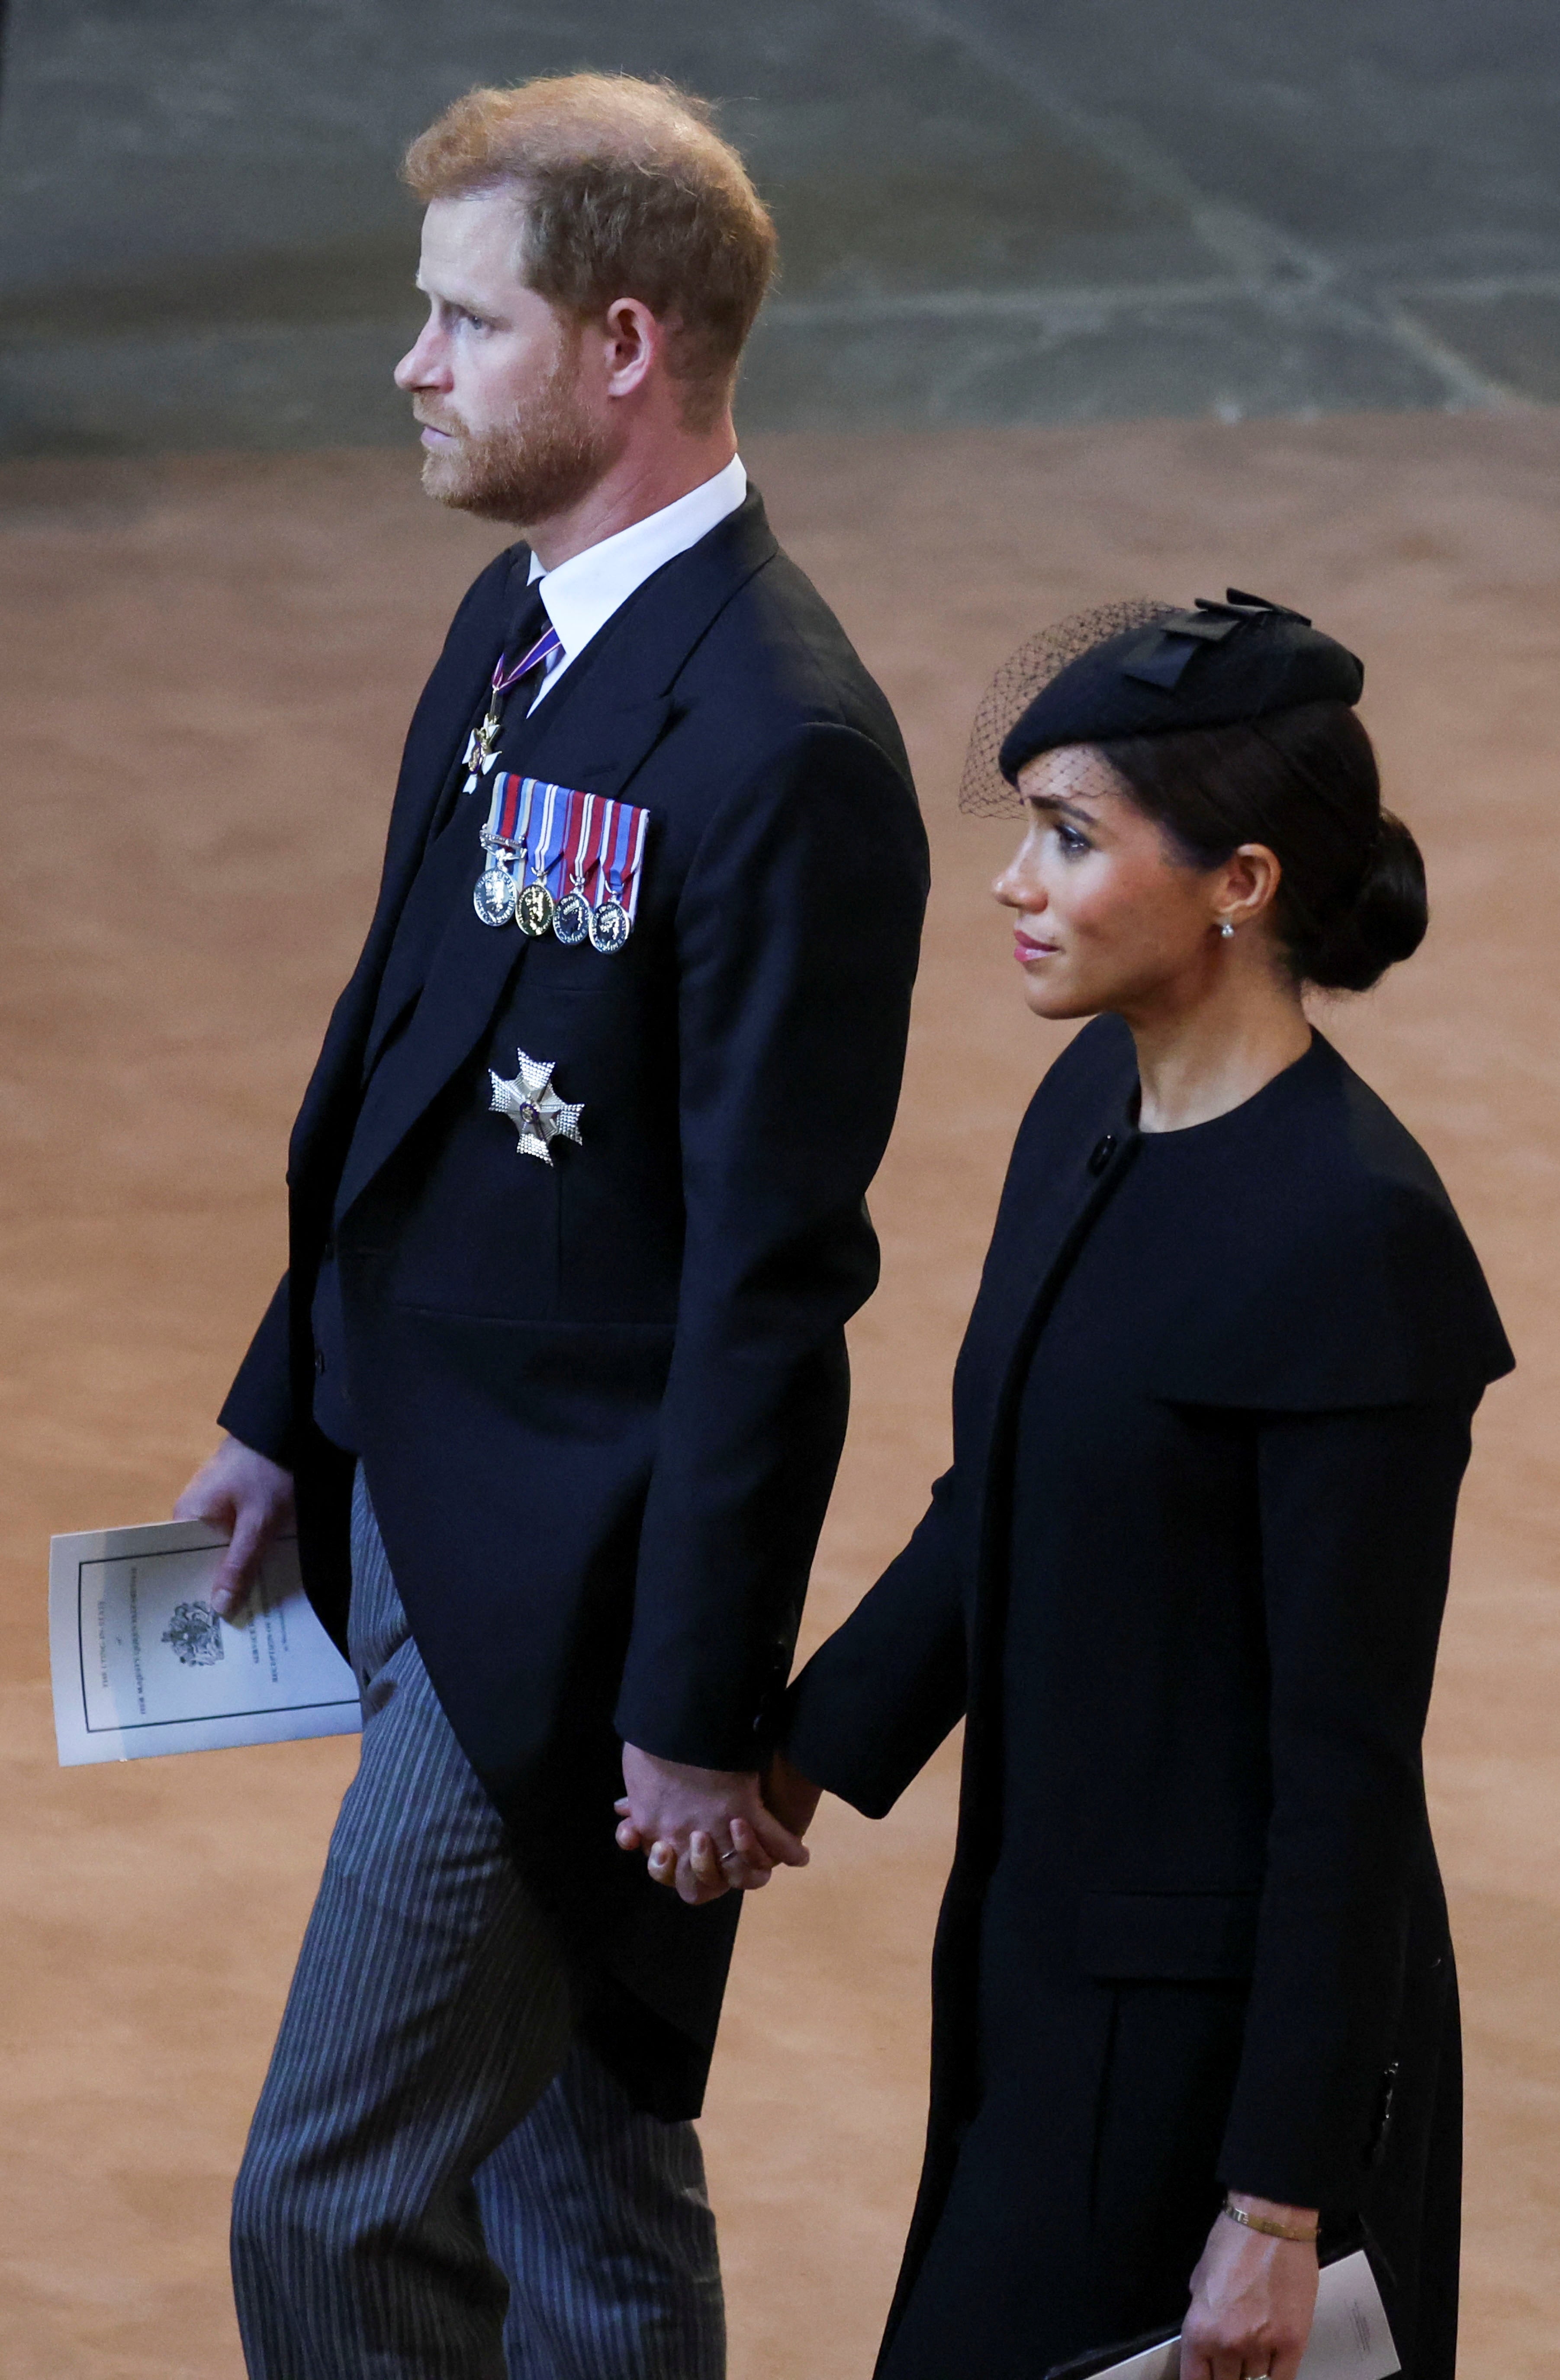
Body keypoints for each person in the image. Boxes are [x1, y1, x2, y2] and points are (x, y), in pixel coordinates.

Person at [173, 74, 928, 2380]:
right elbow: (394, 1058)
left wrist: (696, 1710)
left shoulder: (777, 741)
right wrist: (288, 1399)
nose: (409, 363)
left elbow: (768, 1275)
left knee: (332, 2191)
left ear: (620, 342)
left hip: (569, 1608)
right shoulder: (519, 631)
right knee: (574, 2165)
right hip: (408, 1494)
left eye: (456, 321)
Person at [690, 594, 1510, 2379]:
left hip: (1220, 2074)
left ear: (1238, 882)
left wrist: (1279, 2208)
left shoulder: (1355, 1243)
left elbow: (1342, 1769)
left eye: (1068, 837)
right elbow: (1000, 1500)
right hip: (1043, 1983)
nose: (1014, 880)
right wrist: (790, 1763)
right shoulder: (1089, 1111)